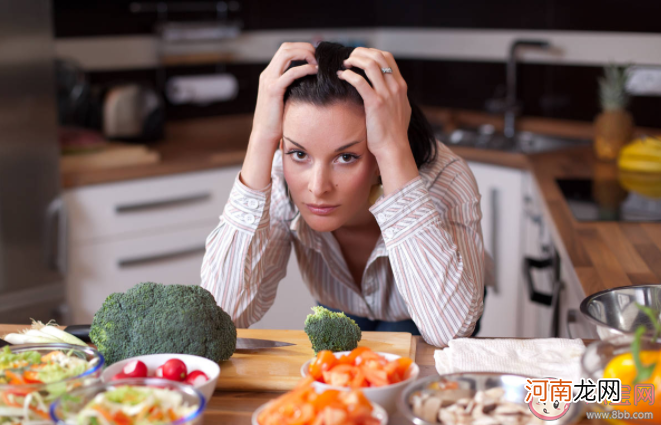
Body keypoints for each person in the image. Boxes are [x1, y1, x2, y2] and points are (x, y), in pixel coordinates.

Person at [201, 41, 486, 347]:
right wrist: (260, 137)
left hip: (431, 311)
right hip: (339, 307)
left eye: (346, 157)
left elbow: (449, 332)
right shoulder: (279, 173)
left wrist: (393, 149)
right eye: (299, 153)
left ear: (378, 152)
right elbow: (222, 313)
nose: (317, 186)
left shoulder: (444, 179)